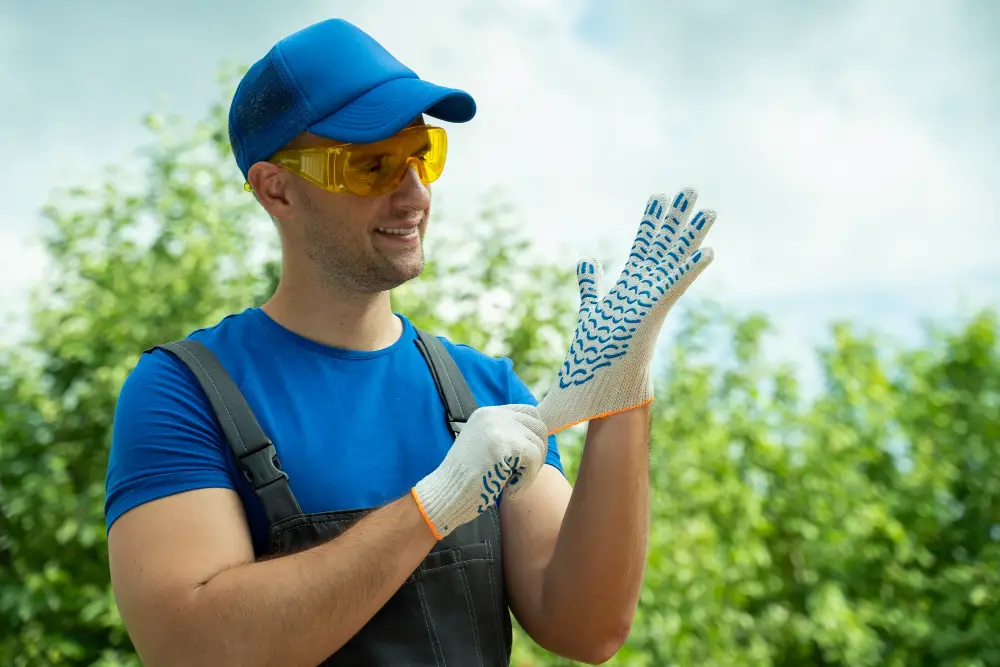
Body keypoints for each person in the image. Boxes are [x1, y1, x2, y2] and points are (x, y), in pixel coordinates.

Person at [104, 17, 716, 667]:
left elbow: (587, 627)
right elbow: (191, 646)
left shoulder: (483, 389)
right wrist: (437, 501)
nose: (415, 194)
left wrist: (622, 398)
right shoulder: (183, 392)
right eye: (373, 166)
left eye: (424, 156)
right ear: (276, 188)